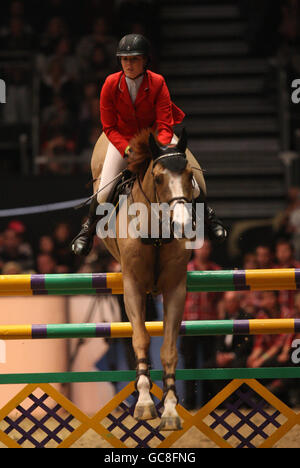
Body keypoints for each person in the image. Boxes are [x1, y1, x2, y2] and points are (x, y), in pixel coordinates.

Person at [72, 33, 227, 256]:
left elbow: (165, 124)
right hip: (124, 141)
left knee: (190, 180)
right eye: (125, 59)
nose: (129, 64)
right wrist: (127, 149)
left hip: (157, 137)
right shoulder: (110, 84)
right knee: (104, 191)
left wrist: (159, 150)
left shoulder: (157, 82)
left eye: (134, 59)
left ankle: (209, 218)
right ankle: (87, 231)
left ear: (145, 61)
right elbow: (109, 127)